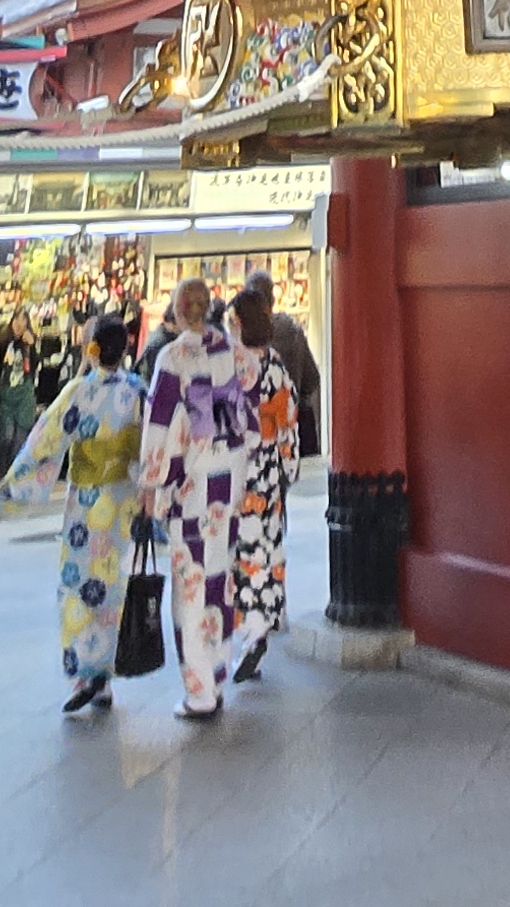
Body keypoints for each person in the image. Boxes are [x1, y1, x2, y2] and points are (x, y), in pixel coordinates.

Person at [5, 313, 148, 713]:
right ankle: (104, 678)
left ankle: (82, 674)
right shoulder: (138, 391)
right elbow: (152, 445)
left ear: (92, 348)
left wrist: (18, 484)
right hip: (123, 500)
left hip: (86, 503)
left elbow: (47, 440)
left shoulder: (77, 392)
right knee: (113, 586)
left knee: (78, 587)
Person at [141, 278, 259, 723]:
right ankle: (218, 669)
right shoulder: (233, 352)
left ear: (176, 309)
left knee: (189, 583)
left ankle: (199, 690)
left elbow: (159, 429)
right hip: (228, 478)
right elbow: (248, 420)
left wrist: (154, 484)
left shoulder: (173, 358)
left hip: (191, 483)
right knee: (218, 575)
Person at [224, 281, 301, 685]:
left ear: (237, 323)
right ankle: (264, 619)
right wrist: (287, 465)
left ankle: (251, 633)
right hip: (270, 468)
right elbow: (288, 418)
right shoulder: (276, 365)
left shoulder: (234, 368)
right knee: (267, 546)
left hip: (240, 470)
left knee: (244, 553)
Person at [245, 270, 323, 459]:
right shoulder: (292, 331)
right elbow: (312, 379)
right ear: (272, 299)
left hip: (256, 432)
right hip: (292, 425)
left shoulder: (240, 339)